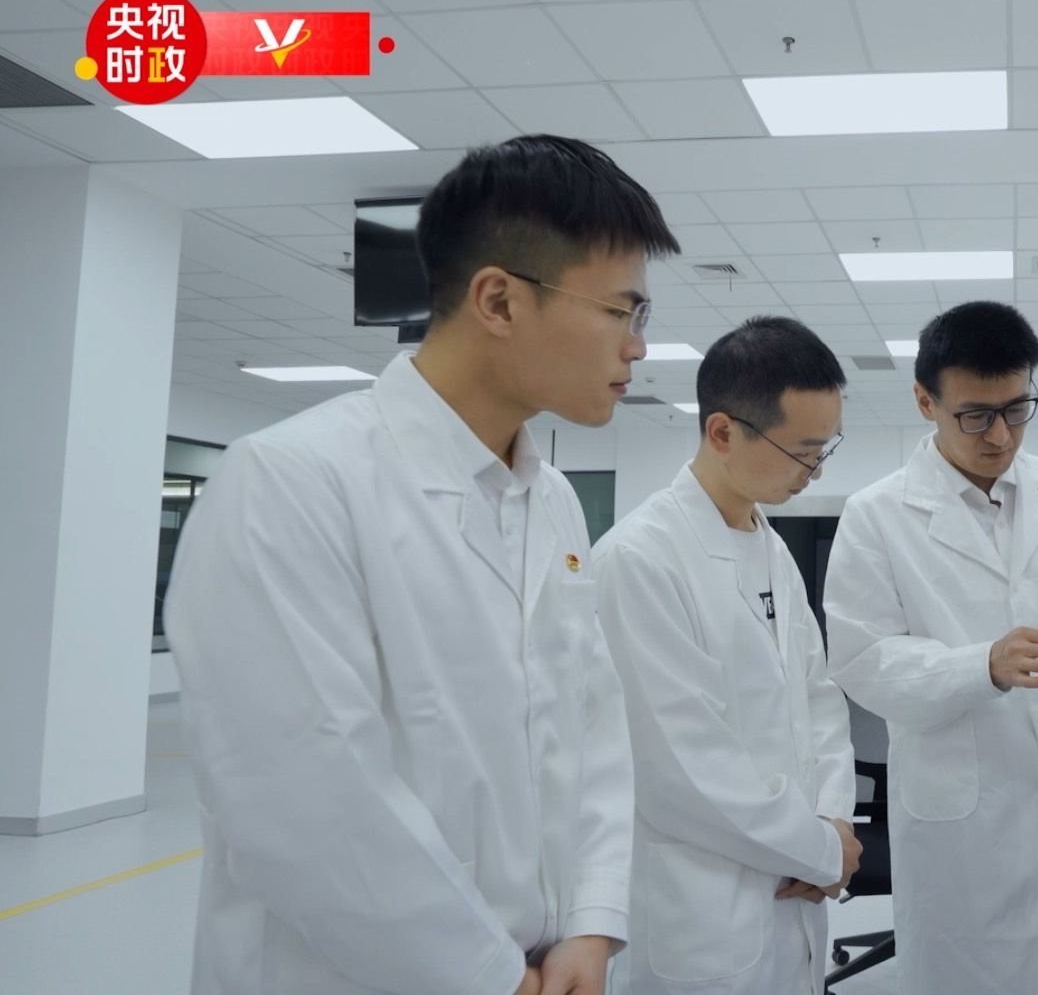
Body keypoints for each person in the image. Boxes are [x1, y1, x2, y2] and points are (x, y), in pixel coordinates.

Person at [165, 134, 677, 995]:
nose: (637, 347)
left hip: (550, 962)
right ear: (499, 301)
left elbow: (592, 729)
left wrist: (592, 924)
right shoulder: (292, 481)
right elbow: (305, 804)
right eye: (622, 312)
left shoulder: (550, 500)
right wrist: (492, 978)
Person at [823, 301, 1038, 995]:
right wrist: (982, 665)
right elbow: (863, 662)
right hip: (968, 834)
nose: (1002, 434)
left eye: (1016, 408)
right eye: (976, 415)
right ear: (926, 402)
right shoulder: (878, 514)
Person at [593, 316, 860, 995]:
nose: (816, 470)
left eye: (825, 448)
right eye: (802, 451)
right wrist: (819, 847)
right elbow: (682, 767)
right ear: (722, 432)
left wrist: (833, 820)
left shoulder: (772, 549)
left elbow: (819, 701)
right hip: (702, 909)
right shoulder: (638, 560)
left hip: (795, 882)